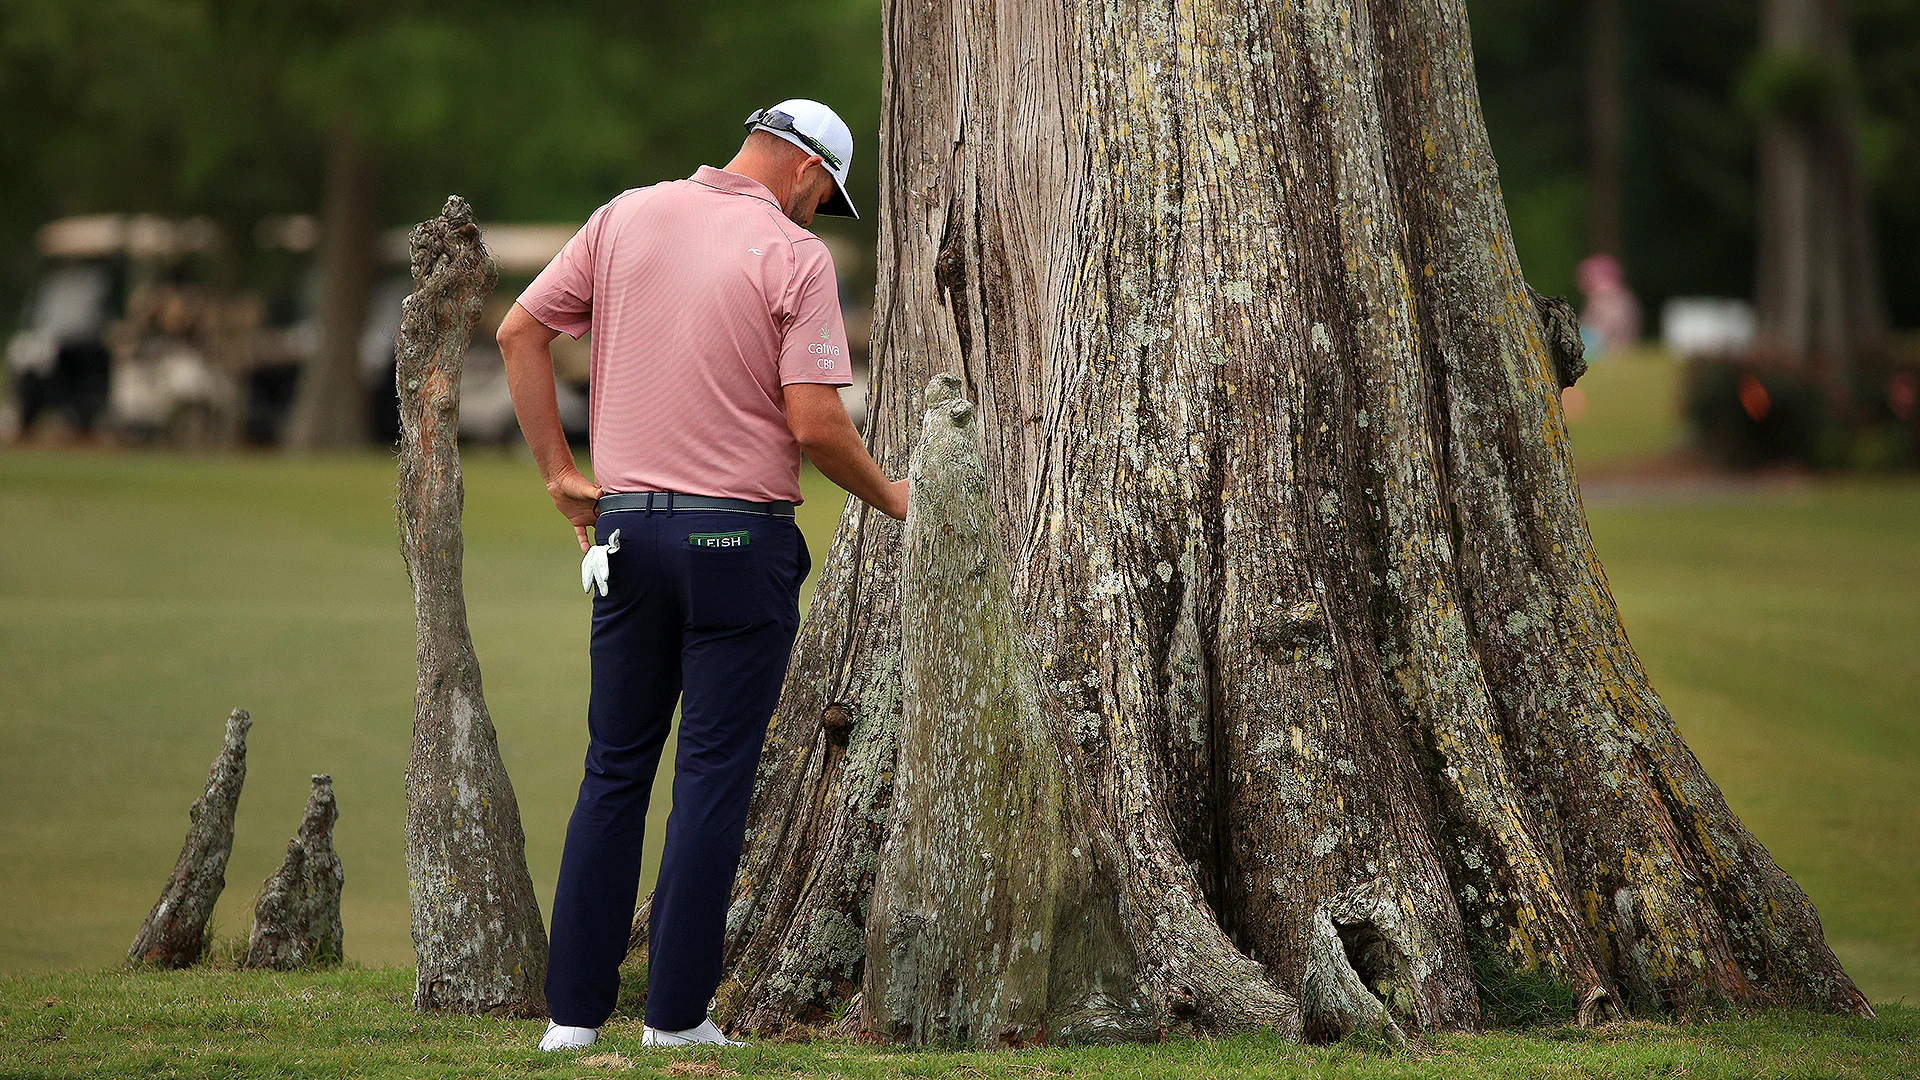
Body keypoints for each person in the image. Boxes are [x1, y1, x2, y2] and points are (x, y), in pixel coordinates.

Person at [497, 98, 907, 1052]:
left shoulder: (624, 215)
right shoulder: (795, 256)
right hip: (739, 544)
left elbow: (522, 332)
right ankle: (676, 1021)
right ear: (807, 170)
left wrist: (561, 472)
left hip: (629, 536)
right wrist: (893, 497)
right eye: (825, 198)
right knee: (713, 779)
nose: (817, 216)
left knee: (613, 770)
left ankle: (572, 1019)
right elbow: (813, 423)